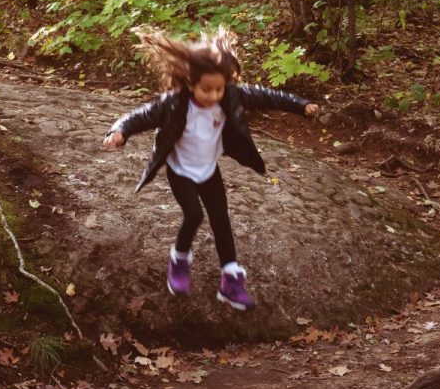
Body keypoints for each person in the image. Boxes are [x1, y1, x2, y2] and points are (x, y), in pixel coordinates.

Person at [103, 27, 320, 312]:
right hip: (180, 170)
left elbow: (268, 96)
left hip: (208, 169)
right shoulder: (174, 103)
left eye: (219, 88)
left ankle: (230, 281)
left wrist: (300, 105)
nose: (214, 95)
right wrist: (120, 131)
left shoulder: (228, 96)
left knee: (221, 219)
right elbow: (140, 116)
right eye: (207, 89)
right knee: (194, 214)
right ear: (191, 83)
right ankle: (179, 260)